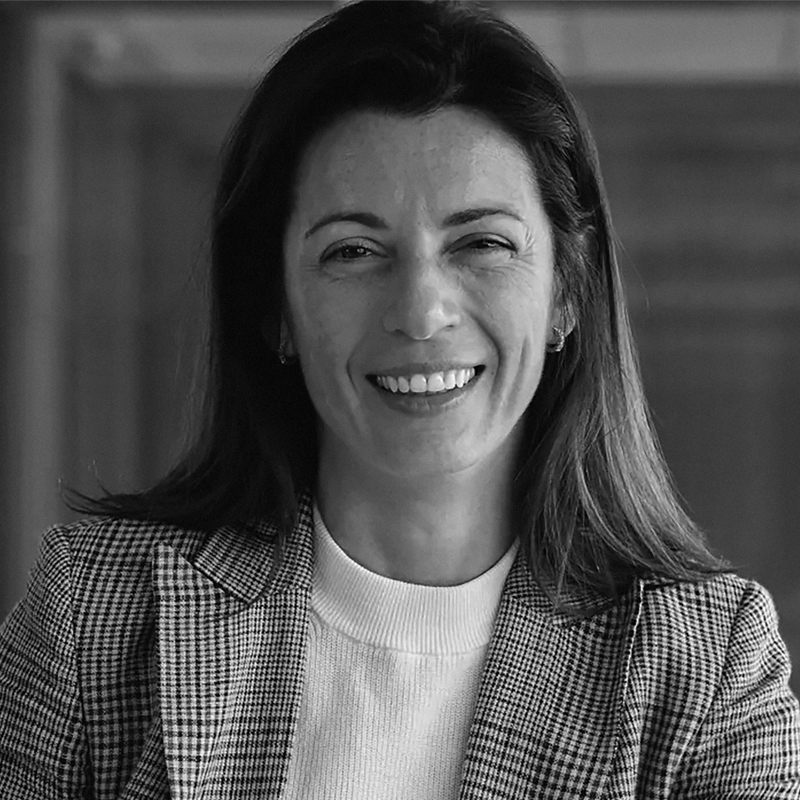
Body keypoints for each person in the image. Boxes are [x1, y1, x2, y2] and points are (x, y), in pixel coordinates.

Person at [1, 1, 799, 797]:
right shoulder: (95, 615)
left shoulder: (710, 669)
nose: (421, 312)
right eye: (353, 251)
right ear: (275, 306)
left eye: (482, 243)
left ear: (567, 291)